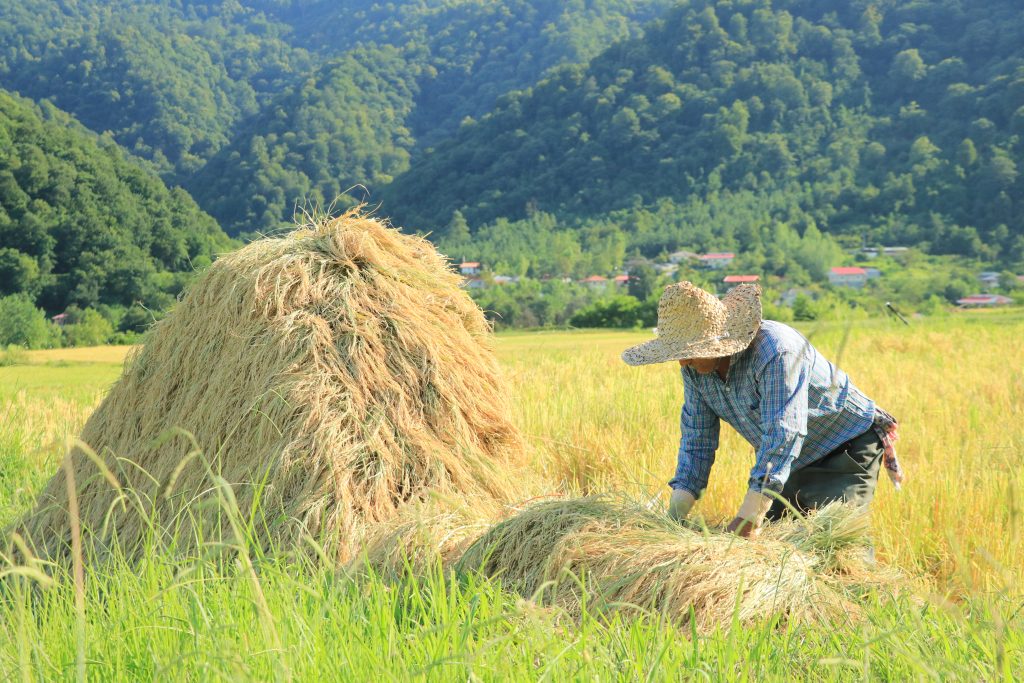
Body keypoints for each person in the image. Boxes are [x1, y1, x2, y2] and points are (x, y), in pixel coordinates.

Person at [621, 282, 902, 537]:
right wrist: (676, 515)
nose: (683, 363)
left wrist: (749, 515)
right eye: (677, 354)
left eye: (689, 351)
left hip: (844, 448)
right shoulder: (696, 369)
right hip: (788, 463)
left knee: (835, 545)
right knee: (778, 550)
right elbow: (697, 440)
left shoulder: (775, 351)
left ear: (719, 342)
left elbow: (785, 433)